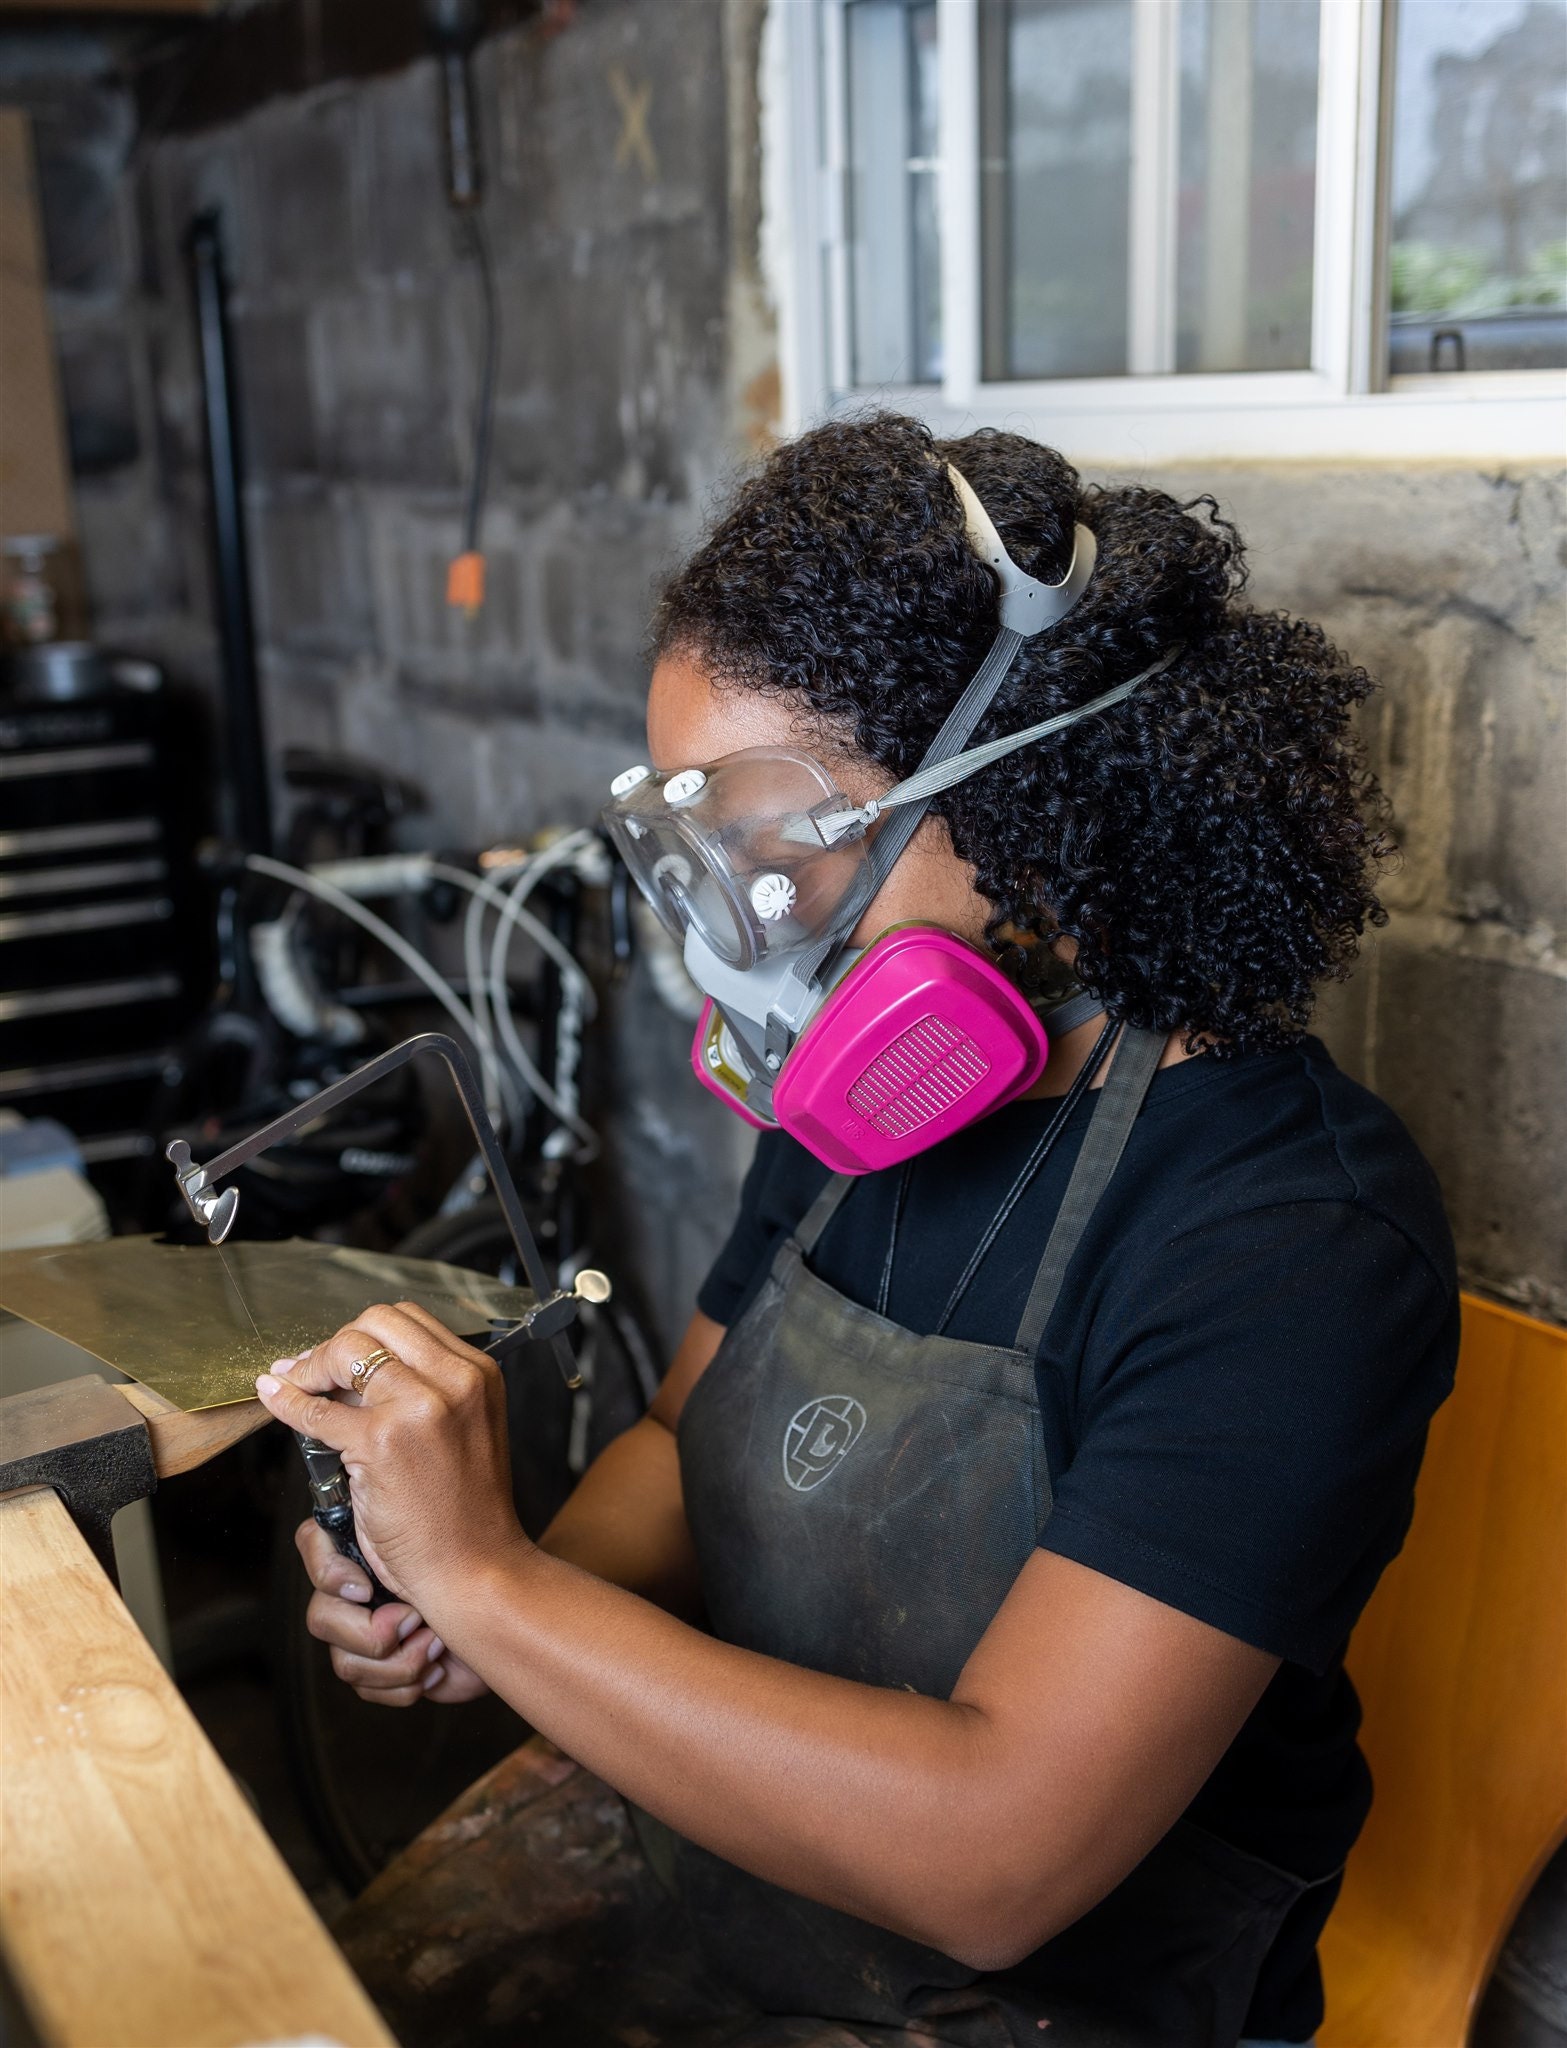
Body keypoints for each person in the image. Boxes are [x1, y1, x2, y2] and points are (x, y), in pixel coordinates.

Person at [255, 416, 1458, 2048]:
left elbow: (995, 1858)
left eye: (780, 860)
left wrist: (498, 1589)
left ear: (1024, 791)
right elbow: (687, 1446)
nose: (738, 950)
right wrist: (464, 1609)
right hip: (738, 1891)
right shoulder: (866, 1114)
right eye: (703, 861)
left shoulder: (1290, 1238)